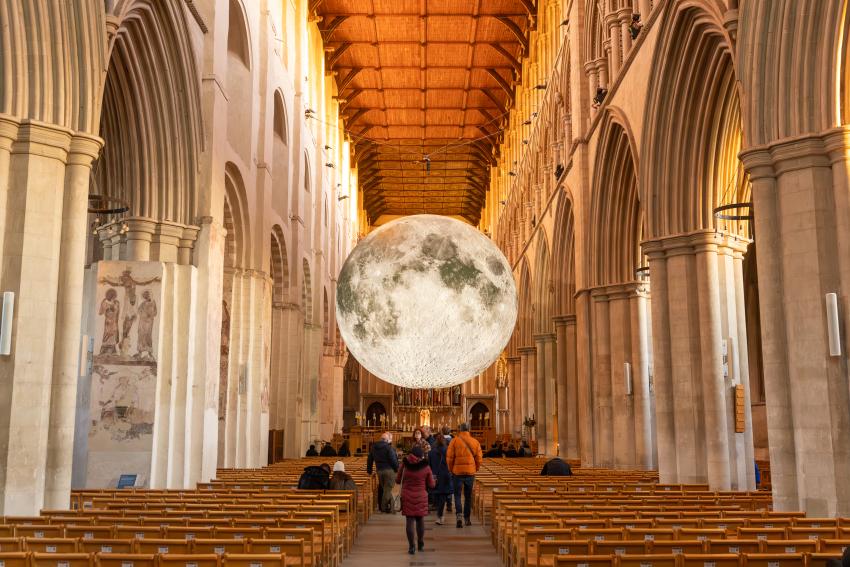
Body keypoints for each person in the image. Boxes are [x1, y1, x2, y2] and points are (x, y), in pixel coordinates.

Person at [397, 446, 435, 554]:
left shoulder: (405, 465)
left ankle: (411, 546)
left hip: (407, 495)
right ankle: (421, 543)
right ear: (421, 455)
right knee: (420, 520)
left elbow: (398, 480)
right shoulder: (426, 467)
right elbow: (431, 485)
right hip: (421, 496)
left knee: (409, 521)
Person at [446, 422, 482, 528]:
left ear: (459, 430)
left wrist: (451, 469)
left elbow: (449, 458)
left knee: (457, 495)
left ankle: (459, 517)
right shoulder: (475, 442)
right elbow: (479, 458)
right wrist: (476, 468)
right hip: (470, 472)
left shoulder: (454, 441)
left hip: (457, 472)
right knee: (468, 496)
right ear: (469, 429)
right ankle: (467, 519)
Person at [367, 432, 399, 513]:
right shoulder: (388, 448)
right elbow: (393, 460)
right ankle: (383, 508)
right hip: (389, 470)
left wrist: (369, 470)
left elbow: (370, 459)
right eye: (390, 440)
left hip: (379, 471)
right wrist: (397, 469)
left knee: (386, 489)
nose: (391, 441)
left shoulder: (373, 447)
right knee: (387, 490)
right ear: (387, 440)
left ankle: (392, 507)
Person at [429, 433, 453, 525]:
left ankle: (439, 515)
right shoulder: (448, 451)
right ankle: (440, 515)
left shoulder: (431, 452)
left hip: (435, 476)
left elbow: (429, 466)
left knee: (437, 495)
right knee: (443, 496)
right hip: (446, 476)